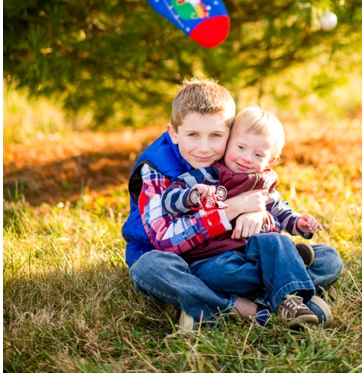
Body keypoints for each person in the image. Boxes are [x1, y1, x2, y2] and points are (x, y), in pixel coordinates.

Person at [122, 79, 343, 329]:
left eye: (216, 136)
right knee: (150, 268)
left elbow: (271, 204)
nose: (204, 149)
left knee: (329, 258)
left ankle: (266, 290)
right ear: (173, 132)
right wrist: (235, 208)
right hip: (180, 260)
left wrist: (259, 213)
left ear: (230, 133)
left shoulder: (237, 162)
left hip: (236, 253)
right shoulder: (156, 168)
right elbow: (165, 240)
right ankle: (245, 304)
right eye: (192, 135)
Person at [159, 107, 331, 326]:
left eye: (258, 155)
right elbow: (168, 200)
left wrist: (299, 224)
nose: (246, 158)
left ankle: (290, 299)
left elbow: (281, 212)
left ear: (271, 159)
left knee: (319, 254)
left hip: (253, 252)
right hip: (217, 258)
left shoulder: (264, 183)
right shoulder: (208, 176)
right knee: (218, 274)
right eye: (241, 147)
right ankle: (286, 273)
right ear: (229, 142)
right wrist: (191, 196)